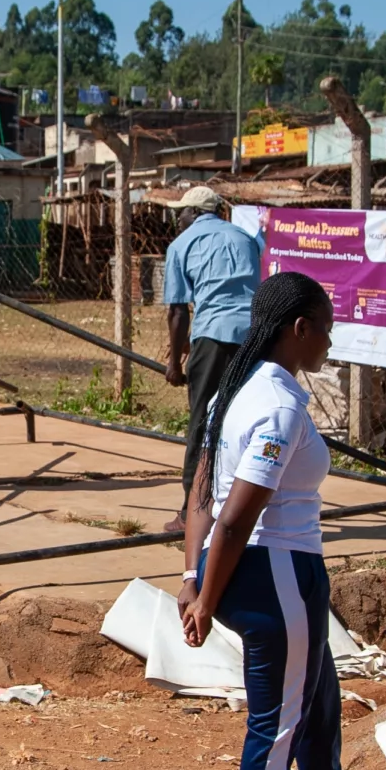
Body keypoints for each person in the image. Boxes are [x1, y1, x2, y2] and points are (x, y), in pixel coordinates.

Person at [179, 271, 386, 770]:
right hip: (273, 571)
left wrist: (194, 575)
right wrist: (204, 595)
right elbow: (236, 515)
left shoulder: (236, 388)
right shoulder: (278, 404)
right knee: (277, 720)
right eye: (325, 328)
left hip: (251, 567)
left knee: (318, 695)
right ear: (299, 328)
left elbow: (200, 487)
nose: (330, 341)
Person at [161, 185, 262, 535]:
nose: (178, 218)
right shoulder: (246, 238)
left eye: (181, 212)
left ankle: (191, 513)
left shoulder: (182, 244)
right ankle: (246, 509)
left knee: (203, 423)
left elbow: (178, 311)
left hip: (213, 337)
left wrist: (175, 364)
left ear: (194, 213)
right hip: (254, 338)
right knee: (244, 423)